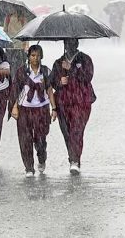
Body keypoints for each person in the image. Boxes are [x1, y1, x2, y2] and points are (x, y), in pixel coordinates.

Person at [11, 45, 57, 177]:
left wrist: (54, 108)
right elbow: (16, 91)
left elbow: (49, 90)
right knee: (25, 139)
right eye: (32, 55)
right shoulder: (22, 71)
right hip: (25, 109)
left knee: (40, 139)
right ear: (28, 56)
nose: (35, 58)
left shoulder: (46, 71)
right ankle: (29, 168)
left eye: (37, 55)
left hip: (41, 109)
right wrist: (14, 107)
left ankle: (42, 158)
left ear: (41, 56)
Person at [50, 38, 95, 175]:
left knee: (77, 130)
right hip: (63, 103)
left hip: (81, 102)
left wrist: (73, 69)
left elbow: (88, 77)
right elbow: (51, 82)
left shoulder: (85, 59)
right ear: (64, 44)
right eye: (67, 43)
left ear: (77, 44)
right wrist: (59, 81)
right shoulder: (58, 63)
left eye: (73, 42)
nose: (70, 45)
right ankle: (73, 158)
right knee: (67, 132)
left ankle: (75, 161)